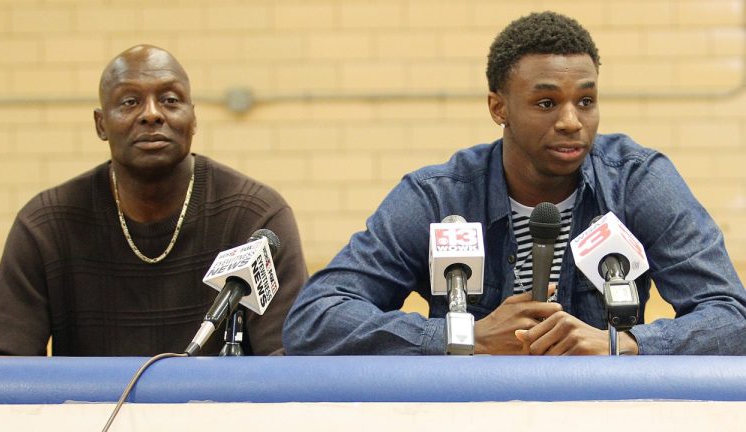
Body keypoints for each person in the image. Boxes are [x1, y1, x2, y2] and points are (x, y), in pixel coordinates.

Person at [282, 11, 746, 355]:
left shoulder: (637, 180)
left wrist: (622, 342)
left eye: (586, 101)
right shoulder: (438, 195)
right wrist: (463, 338)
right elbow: (315, 317)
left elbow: (732, 316)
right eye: (546, 103)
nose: (571, 121)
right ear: (498, 108)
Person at [0, 45, 307, 356]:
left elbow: (286, 361)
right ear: (100, 124)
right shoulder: (46, 226)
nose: (152, 114)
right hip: (93, 417)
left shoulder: (255, 218)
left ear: (193, 118)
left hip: (221, 415)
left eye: (169, 99)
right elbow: (0, 366)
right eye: (129, 102)